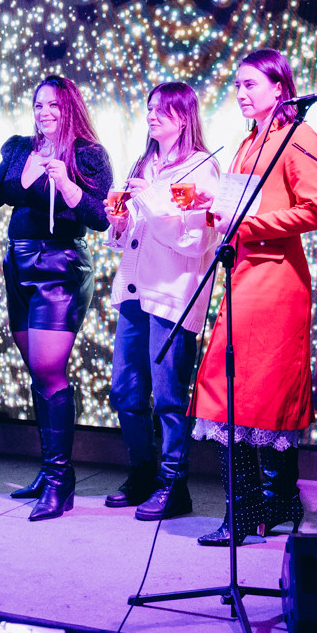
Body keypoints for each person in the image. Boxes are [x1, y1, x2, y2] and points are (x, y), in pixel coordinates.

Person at [190, 48, 317, 546]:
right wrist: (215, 209)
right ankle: (274, 503)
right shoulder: (249, 141)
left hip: (276, 280)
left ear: (279, 87)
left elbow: (316, 210)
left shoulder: (299, 136)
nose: (241, 93)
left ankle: (252, 509)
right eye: (238, 85)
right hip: (243, 274)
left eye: (250, 84)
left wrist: (248, 224)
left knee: (252, 395)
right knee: (234, 392)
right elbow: (240, 208)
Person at [0, 74, 111, 521]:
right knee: (37, 372)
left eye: (54, 105)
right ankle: (49, 471)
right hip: (18, 263)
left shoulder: (88, 153)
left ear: (70, 108)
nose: (45, 112)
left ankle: (61, 480)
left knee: (48, 369)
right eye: (39, 104)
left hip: (59, 265)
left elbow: (100, 216)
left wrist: (66, 184)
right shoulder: (18, 147)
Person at [104, 83, 222, 521]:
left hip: (172, 294)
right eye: (150, 108)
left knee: (169, 396)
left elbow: (195, 242)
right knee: (125, 390)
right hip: (134, 291)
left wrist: (151, 201)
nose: (152, 115)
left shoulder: (202, 168)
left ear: (184, 116)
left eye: (162, 110)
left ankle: (174, 485)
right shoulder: (145, 162)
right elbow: (130, 235)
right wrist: (119, 223)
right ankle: (142, 472)